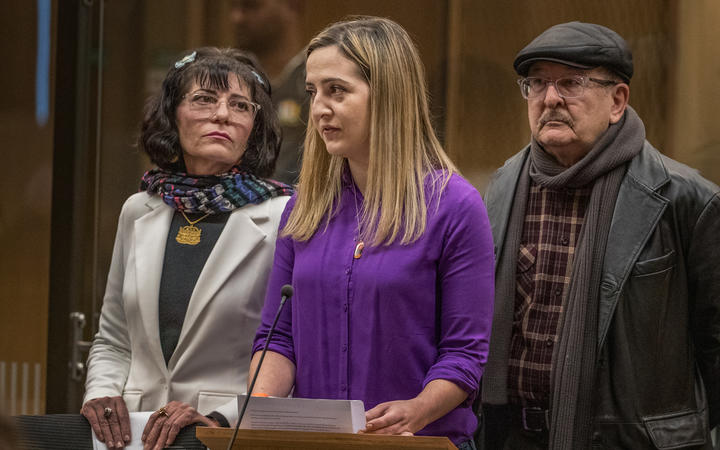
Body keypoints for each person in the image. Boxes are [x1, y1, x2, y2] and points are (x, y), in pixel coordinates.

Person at [247, 17, 494, 450]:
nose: (319, 108)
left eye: (337, 90)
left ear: (389, 95)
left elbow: (464, 355)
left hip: (419, 442)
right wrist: (259, 407)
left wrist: (417, 409)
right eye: (313, 92)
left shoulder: (455, 206)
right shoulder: (303, 210)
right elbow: (278, 338)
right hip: (318, 444)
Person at [480, 22, 720, 449]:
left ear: (617, 100)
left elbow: (715, 345)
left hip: (628, 441)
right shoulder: (501, 187)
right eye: (536, 84)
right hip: (509, 434)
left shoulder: (687, 200)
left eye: (571, 82)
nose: (550, 98)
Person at [80, 47, 292, 450]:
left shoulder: (286, 216)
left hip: (224, 434)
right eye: (204, 99)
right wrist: (100, 394)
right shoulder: (139, 209)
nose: (222, 115)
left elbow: (290, 349)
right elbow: (113, 337)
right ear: (172, 116)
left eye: (240, 106)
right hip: (131, 435)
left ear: (254, 128)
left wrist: (222, 419)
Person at [230, 0, 307, 185]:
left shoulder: (323, 81)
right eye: (234, 7)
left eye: (251, 6)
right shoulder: (228, 81)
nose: (236, 17)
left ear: (293, 5)